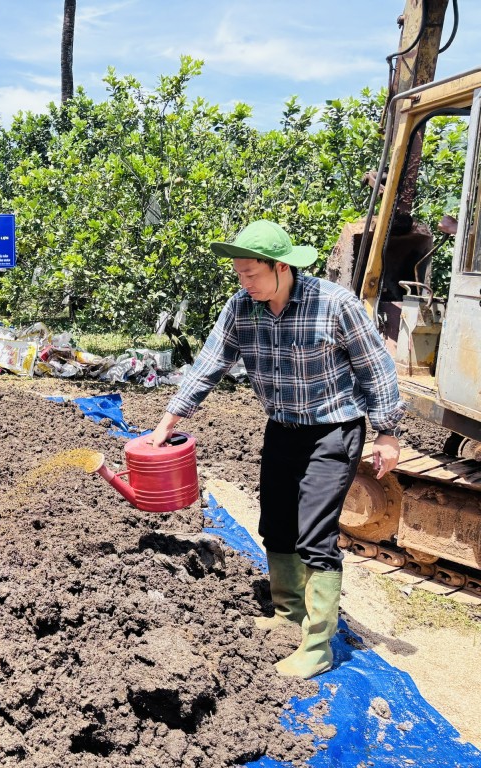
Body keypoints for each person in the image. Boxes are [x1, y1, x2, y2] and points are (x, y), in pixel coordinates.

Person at [149, 220, 405, 679]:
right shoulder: (241, 308)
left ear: (281, 267)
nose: (243, 283)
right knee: (277, 523)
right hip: (282, 429)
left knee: (315, 534)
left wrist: (387, 432)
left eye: (251, 273)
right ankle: (288, 616)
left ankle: (318, 645)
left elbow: (376, 369)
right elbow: (210, 363)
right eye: (239, 274)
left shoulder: (334, 304)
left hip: (333, 431)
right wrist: (169, 421)